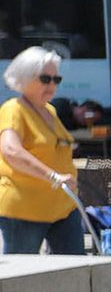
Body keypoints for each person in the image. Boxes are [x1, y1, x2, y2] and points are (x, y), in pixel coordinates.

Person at [0, 47, 82, 255]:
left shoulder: (50, 110)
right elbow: (11, 151)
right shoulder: (13, 109)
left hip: (63, 207)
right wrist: (53, 176)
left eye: (57, 79)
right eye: (45, 79)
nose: (52, 85)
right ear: (25, 77)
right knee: (22, 276)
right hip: (25, 209)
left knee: (75, 270)